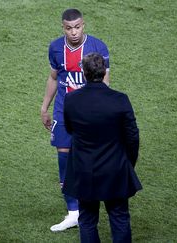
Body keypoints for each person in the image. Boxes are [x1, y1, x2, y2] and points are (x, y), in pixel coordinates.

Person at [40, 9, 110, 232]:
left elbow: (105, 83)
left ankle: (90, 207)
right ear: (63, 28)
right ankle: (73, 212)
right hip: (64, 111)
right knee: (64, 155)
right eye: (69, 28)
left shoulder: (98, 47)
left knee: (90, 158)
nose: (73, 32)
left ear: (84, 25)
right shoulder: (55, 48)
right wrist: (44, 107)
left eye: (77, 27)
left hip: (89, 112)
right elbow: (53, 78)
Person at [63, 53, 142, 243]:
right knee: (119, 217)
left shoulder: (72, 100)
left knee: (88, 219)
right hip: (115, 168)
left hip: (84, 169)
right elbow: (132, 137)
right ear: (104, 71)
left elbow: (69, 129)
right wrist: (127, 162)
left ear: (84, 73)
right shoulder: (120, 100)